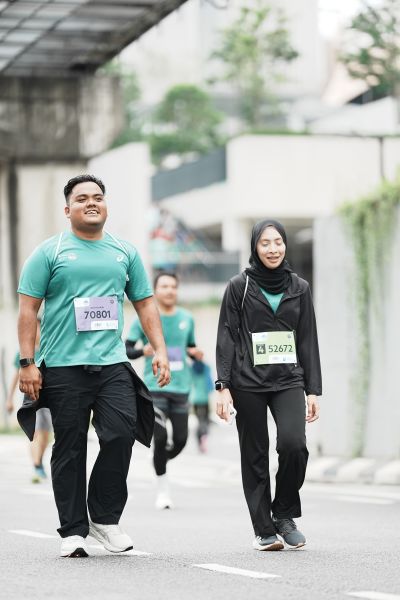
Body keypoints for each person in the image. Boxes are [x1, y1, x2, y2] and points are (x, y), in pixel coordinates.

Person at [16, 174, 170, 559]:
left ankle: (104, 518)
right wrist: (27, 363)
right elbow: (28, 310)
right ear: (67, 209)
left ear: (106, 206)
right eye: (82, 198)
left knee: (121, 434)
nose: (91, 203)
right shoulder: (49, 252)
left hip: (112, 363)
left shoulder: (124, 252)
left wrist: (160, 350)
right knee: (69, 447)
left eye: (97, 197)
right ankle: (73, 530)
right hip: (63, 366)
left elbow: (144, 303)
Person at [215, 219, 321, 551]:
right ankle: (264, 529)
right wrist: (223, 385)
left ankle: (284, 514)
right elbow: (227, 336)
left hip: (288, 379)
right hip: (248, 382)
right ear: (254, 247)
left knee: (294, 445)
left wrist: (313, 390)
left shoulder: (299, 287)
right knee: (255, 455)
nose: (273, 249)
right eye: (265, 243)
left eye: (278, 242)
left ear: (285, 245)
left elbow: (307, 339)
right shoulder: (239, 286)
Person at [126, 272, 203, 509]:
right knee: (159, 438)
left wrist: (196, 354)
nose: (169, 290)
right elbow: (127, 349)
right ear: (155, 290)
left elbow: (190, 347)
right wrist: (143, 351)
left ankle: (158, 461)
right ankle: (163, 490)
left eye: (173, 286)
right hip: (154, 387)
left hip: (181, 387)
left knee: (180, 440)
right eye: (164, 286)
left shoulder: (187, 318)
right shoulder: (144, 318)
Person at [6, 318, 52, 483]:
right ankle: (36, 465)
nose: (37, 332)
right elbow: (15, 376)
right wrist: (9, 399)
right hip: (32, 397)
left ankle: (39, 461)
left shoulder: (49, 348)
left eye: (40, 328)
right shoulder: (25, 351)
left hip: (49, 397)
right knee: (36, 432)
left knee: (45, 434)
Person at [189, 356, 214, 453]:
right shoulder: (206, 368)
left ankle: (200, 441)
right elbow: (210, 385)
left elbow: (189, 383)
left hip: (195, 399)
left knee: (200, 421)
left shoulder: (191, 369)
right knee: (205, 421)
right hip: (204, 399)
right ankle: (203, 437)